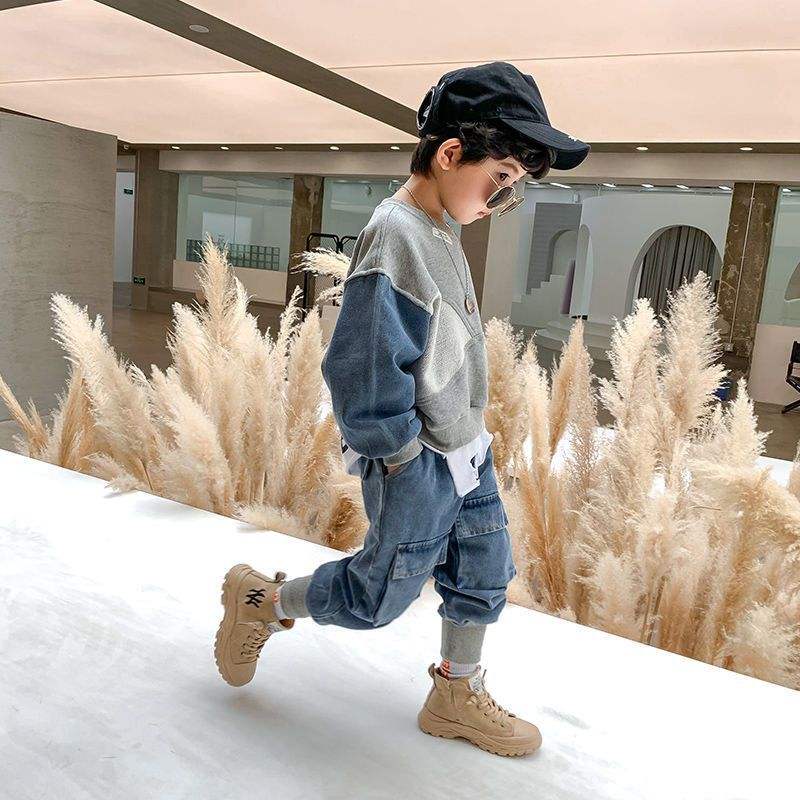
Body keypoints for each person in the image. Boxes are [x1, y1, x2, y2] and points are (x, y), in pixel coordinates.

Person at [214, 61, 590, 758]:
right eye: (499, 176)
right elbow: (360, 368)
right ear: (450, 153)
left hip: (464, 449)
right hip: (417, 459)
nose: (502, 197)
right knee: (376, 597)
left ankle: (455, 695)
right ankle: (262, 602)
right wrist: (402, 456)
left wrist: (466, 438)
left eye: (513, 184)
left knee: (482, 573)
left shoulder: (440, 227)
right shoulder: (396, 237)